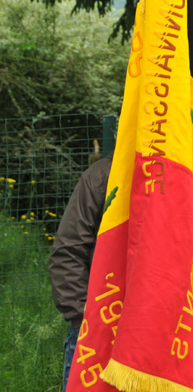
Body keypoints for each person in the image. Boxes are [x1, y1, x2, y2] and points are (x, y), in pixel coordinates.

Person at [48, 153, 112, 392]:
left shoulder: (182, 175)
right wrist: (84, 317)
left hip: (158, 332)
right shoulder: (101, 176)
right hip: (94, 329)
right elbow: (68, 252)